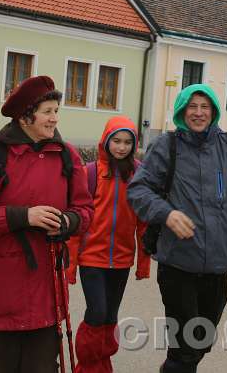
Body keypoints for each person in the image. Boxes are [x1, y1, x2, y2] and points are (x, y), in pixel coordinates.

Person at [0, 75, 93, 373]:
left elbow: (85, 211)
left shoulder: (68, 156)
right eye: (48, 111)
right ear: (26, 116)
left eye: (57, 111)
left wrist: (67, 221)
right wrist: (23, 216)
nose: (55, 119)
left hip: (47, 288)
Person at [127, 84, 227, 373]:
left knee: (201, 340)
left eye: (205, 106)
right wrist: (166, 214)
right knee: (185, 348)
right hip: (178, 263)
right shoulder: (167, 146)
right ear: (181, 111)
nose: (199, 112)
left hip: (218, 264)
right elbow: (138, 190)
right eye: (192, 106)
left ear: (214, 110)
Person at [65, 116, 150, 373]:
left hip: (122, 260)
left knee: (111, 316)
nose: (121, 147)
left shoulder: (138, 174)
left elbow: (143, 224)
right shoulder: (90, 172)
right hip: (92, 258)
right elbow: (77, 223)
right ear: (106, 140)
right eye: (116, 140)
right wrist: (70, 266)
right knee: (97, 312)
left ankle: (102, 364)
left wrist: (143, 265)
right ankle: (87, 365)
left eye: (127, 142)